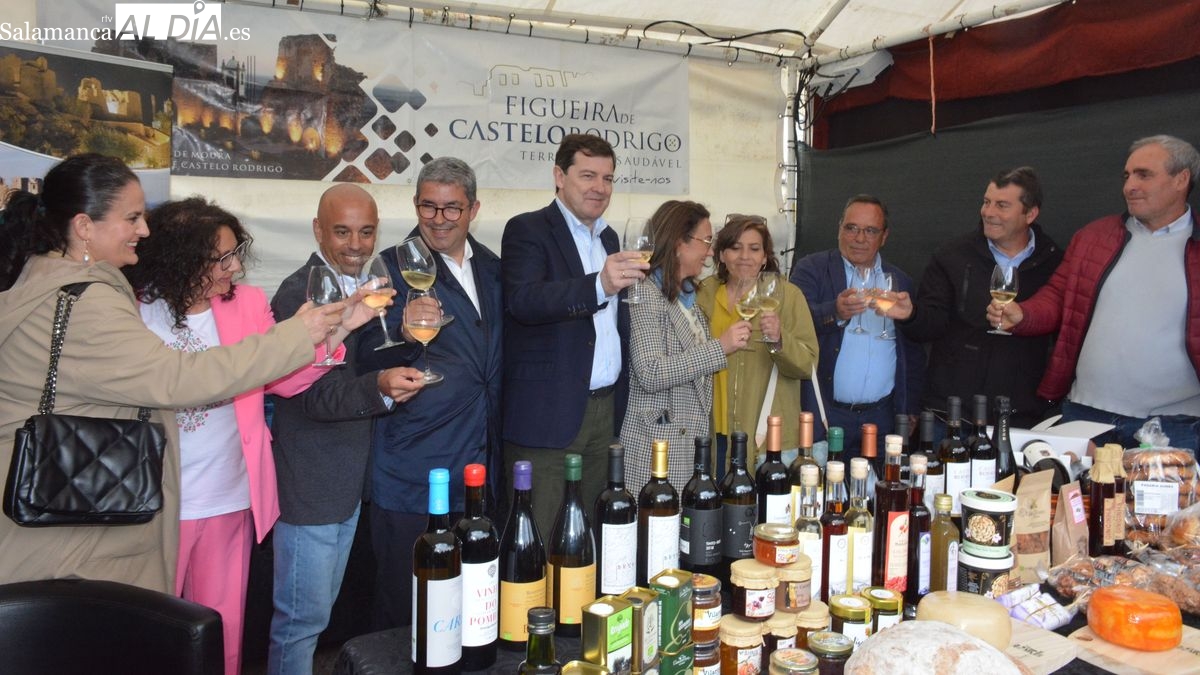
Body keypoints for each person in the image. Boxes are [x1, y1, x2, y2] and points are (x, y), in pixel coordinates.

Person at [0, 154, 349, 594]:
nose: (143, 230)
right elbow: (178, 379)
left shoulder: (44, 278)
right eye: (132, 218)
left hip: (74, 506)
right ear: (85, 226)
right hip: (76, 526)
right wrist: (296, 334)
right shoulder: (89, 299)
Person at [125, 197, 373, 675]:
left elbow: (284, 381)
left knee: (222, 638)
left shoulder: (248, 303)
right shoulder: (132, 308)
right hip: (154, 503)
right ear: (182, 258)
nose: (236, 267)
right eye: (223, 258)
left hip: (228, 498)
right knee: (150, 636)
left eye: (236, 253)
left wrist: (337, 332)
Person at [267, 184, 426, 675]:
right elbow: (312, 394)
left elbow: (360, 361)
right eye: (342, 232)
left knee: (317, 618)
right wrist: (380, 388)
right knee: (300, 624)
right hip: (312, 484)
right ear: (318, 230)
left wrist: (405, 338)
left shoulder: (365, 290)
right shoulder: (300, 294)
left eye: (366, 232)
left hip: (347, 482)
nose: (356, 245)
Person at [357, 157, 503, 629]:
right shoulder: (389, 266)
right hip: (414, 465)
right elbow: (363, 356)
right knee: (405, 605)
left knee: (468, 603)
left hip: (479, 465)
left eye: (451, 208)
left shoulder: (494, 268)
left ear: (473, 209)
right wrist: (403, 333)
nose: (439, 219)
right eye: (428, 207)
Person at [990, 135, 1200, 450]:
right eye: (1127, 176)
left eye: (1143, 175)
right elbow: (1059, 296)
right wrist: (1023, 315)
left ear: (1181, 179)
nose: (1130, 186)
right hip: (1086, 415)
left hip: (1176, 425)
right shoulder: (1094, 237)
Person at [501, 133, 648, 534]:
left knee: (592, 536)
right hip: (549, 415)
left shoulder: (610, 238)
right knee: (543, 537)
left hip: (605, 411)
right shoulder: (528, 229)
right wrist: (599, 285)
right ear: (559, 176)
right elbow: (523, 301)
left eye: (608, 178)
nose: (599, 187)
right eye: (587, 175)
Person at [889, 167, 1063, 429]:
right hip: (952, 415)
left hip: (1022, 418)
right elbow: (932, 324)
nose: (988, 212)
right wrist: (911, 315)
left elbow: (1063, 337)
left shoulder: (1055, 262)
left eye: (1002, 205)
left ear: (1030, 214)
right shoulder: (952, 256)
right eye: (986, 202)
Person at [622, 200, 750, 489]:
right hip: (656, 451)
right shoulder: (645, 292)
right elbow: (650, 372)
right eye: (706, 241)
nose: (710, 252)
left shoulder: (690, 297)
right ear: (679, 242)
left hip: (688, 450)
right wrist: (720, 348)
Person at [789, 194, 924, 456]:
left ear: (884, 236)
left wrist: (910, 407)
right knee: (826, 482)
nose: (859, 238)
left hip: (883, 417)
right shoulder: (812, 269)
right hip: (826, 413)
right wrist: (835, 311)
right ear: (839, 229)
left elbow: (913, 351)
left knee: (881, 482)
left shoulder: (899, 281)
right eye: (851, 228)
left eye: (870, 231)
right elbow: (792, 323)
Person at [697, 214, 818, 473]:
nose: (745, 256)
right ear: (721, 255)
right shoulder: (702, 293)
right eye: (735, 248)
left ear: (765, 257)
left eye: (754, 249)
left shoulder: (788, 296)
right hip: (711, 431)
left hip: (765, 436)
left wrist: (779, 340)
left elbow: (808, 365)